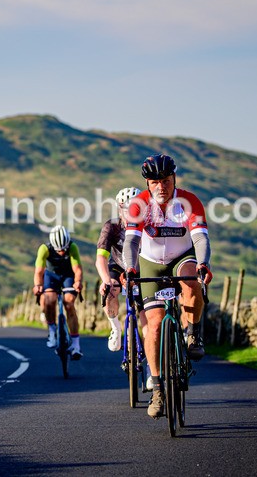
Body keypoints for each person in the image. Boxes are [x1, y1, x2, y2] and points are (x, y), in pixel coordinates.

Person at [122, 153, 213, 419]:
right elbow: (131, 243)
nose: (161, 186)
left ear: (174, 178)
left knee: (189, 279)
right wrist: (130, 267)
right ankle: (158, 388)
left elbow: (201, 239)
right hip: (150, 261)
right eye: (155, 181)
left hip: (182, 257)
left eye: (166, 180)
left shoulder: (189, 201)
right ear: (148, 184)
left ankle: (193, 333)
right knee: (155, 322)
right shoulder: (139, 204)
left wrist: (203, 264)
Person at [96, 187, 142, 352]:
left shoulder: (148, 225)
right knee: (110, 289)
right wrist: (106, 280)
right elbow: (101, 258)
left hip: (141, 268)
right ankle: (115, 328)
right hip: (118, 265)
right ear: (119, 209)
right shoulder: (112, 226)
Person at [32, 225, 84, 359]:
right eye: (58, 250)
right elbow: (39, 271)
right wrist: (38, 285)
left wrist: (77, 282)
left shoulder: (72, 247)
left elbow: (77, 269)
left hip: (68, 275)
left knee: (69, 304)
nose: (61, 252)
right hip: (51, 275)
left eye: (63, 249)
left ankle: (76, 346)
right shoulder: (44, 249)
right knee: (49, 300)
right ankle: (52, 330)